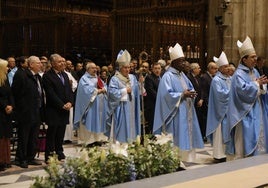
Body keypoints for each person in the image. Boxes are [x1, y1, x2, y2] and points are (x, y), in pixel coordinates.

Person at [153, 43, 204, 162]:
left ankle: (187, 157)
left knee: (187, 134)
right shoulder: (168, 76)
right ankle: (177, 159)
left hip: (187, 111)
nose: (184, 63)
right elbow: (166, 95)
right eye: (181, 61)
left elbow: (190, 88)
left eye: (184, 61)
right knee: (178, 135)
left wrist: (192, 93)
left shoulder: (182, 75)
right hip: (176, 113)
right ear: (174, 62)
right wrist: (182, 94)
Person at [226, 36, 268, 159]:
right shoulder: (238, 74)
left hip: (257, 110)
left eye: (255, 56)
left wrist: (262, 86)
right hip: (244, 113)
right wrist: (256, 84)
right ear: (244, 59)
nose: (256, 59)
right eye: (252, 57)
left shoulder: (254, 71)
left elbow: (260, 88)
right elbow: (242, 92)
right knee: (244, 141)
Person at [12, 56, 45, 168]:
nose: (41, 65)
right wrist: (21, 109)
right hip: (25, 112)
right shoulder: (21, 75)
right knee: (24, 136)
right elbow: (15, 93)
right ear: (31, 65)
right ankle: (21, 159)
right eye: (38, 63)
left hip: (36, 111)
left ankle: (31, 157)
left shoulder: (38, 77)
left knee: (33, 136)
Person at [42, 54, 73, 163]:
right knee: (52, 132)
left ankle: (59, 151)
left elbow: (69, 90)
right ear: (53, 63)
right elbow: (50, 93)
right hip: (54, 109)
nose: (62, 63)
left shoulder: (65, 75)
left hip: (65, 109)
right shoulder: (47, 76)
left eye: (63, 61)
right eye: (59, 62)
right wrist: (61, 105)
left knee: (61, 132)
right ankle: (50, 154)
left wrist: (70, 102)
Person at [107, 50, 141, 143]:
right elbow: (112, 93)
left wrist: (141, 85)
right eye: (125, 68)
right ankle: (120, 144)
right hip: (121, 109)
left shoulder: (133, 78)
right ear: (120, 68)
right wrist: (125, 90)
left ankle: (131, 143)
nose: (127, 69)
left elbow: (137, 92)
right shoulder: (115, 79)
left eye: (129, 67)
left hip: (132, 107)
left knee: (132, 128)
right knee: (122, 129)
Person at [74, 61, 108, 145]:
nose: (95, 69)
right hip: (89, 106)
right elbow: (85, 91)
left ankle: (97, 139)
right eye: (93, 68)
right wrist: (98, 91)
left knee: (98, 121)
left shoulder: (97, 78)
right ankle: (88, 140)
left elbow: (104, 86)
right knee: (89, 121)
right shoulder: (84, 79)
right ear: (88, 69)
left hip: (99, 105)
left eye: (96, 68)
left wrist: (105, 89)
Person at [206, 52, 231, 162]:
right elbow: (220, 95)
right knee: (220, 134)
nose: (228, 68)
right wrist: (233, 92)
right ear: (220, 68)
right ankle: (219, 155)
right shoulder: (216, 80)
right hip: (219, 113)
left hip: (228, 112)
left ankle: (227, 153)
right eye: (225, 66)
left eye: (228, 66)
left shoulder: (229, 78)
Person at [0, 59, 14, 171]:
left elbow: (10, 94)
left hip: (7, 112)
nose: (7, 68)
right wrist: (4, 106)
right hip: (1, 111)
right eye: (5, 66)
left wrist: (11, 105)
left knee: (6, 135)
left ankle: (6, 160)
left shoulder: (5, 79)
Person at [200, 61, 218, 141]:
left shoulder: (212, 77)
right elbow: (204, 91)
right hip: (207, 102)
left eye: (217, 68)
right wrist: (207, 102)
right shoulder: (205, 77)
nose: (216, 70)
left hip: (211, 101)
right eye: (215, 68)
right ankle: (204, 135)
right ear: (210, 68)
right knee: (205, 119)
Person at [187, 63, 204, 141]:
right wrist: (197, 100)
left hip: (200, 101)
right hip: (194, 102)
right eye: (198, 68)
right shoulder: (189, 78)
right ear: (193, 69)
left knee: (199, 119)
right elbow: (191, 90)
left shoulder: (198, 78)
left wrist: (201, 99)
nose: (200, 69)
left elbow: (201, 89)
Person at [144, 62, 162, 134]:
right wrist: (161, 99)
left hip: (159, 104)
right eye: (155, 68)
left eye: (159, 68)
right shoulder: (149, 77)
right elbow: (151, 92)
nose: (157, 70)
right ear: (152, 69)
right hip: (152, 105)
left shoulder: (161, 78)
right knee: (152, 123)